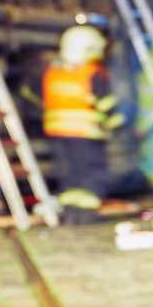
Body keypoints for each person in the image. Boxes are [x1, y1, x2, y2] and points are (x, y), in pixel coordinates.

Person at [39, 21, 122, 208]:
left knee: (69, 173)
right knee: (90, 172)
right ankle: (87, 208)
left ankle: (70, 207)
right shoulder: (92, 73)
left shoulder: (54, 73)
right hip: (87, 135)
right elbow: (105, 103)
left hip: (57, 134)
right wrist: (118, 126)